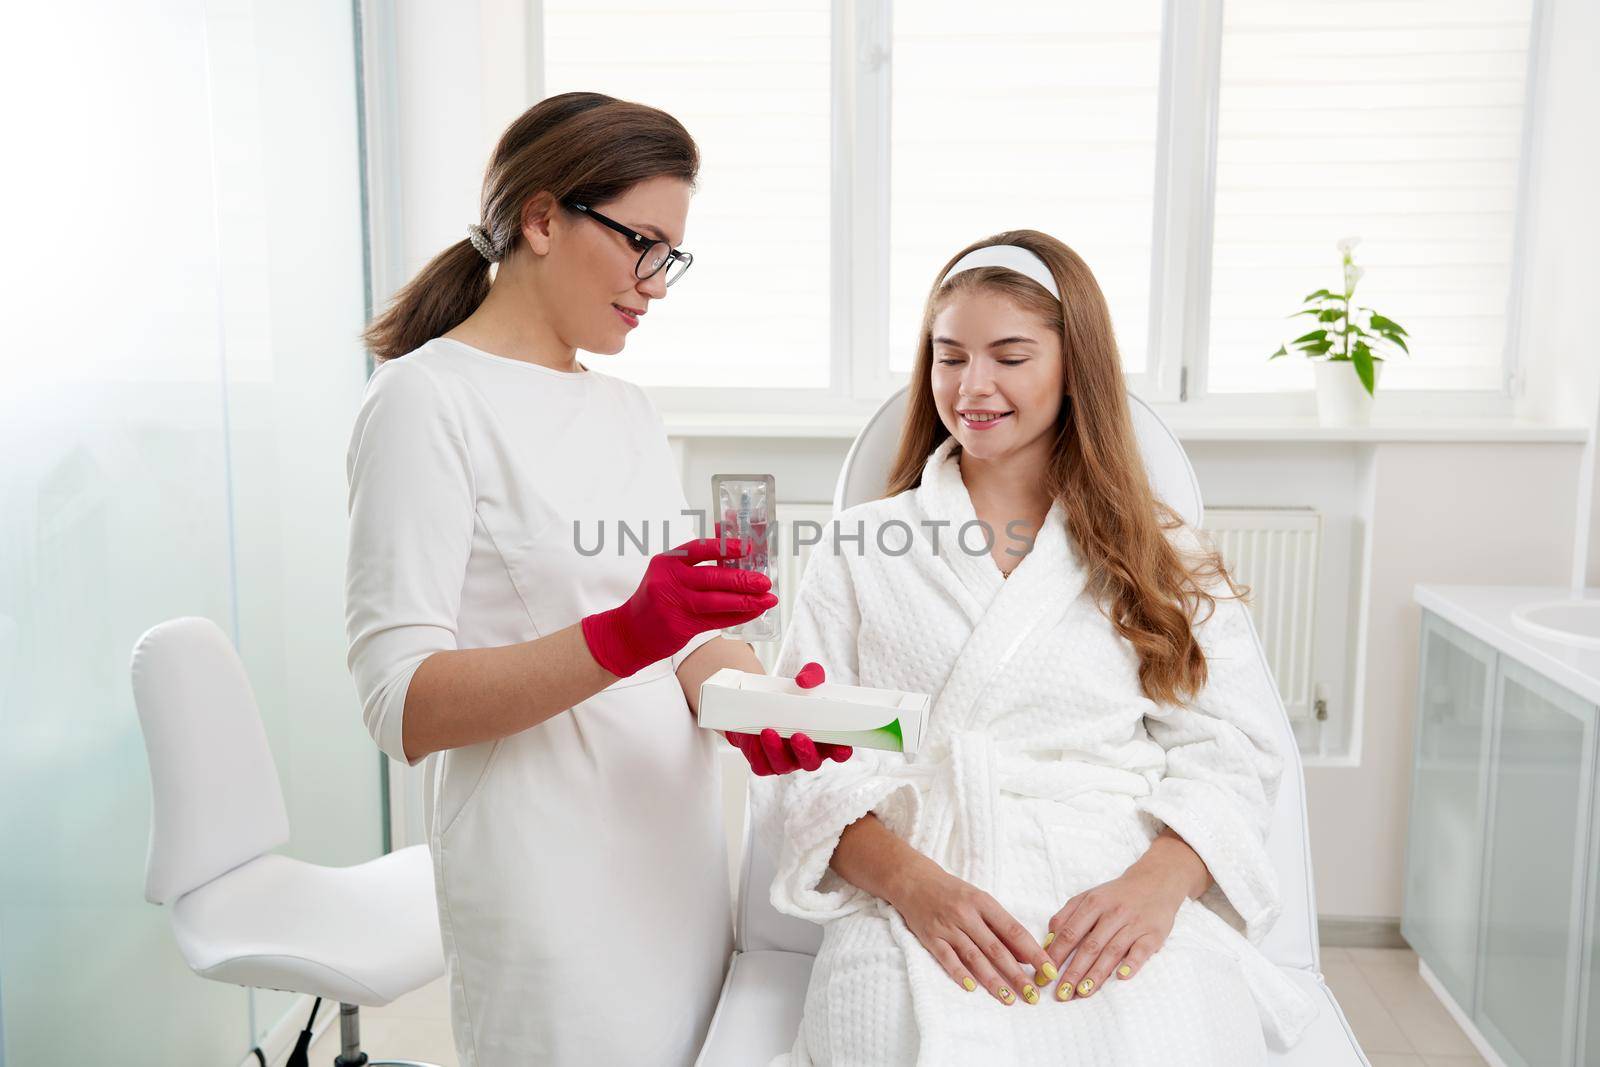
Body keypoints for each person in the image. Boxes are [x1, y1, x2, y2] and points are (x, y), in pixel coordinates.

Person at [344, 91, 845, 1067]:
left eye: (672, 255)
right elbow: (398, 703)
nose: (656, 281)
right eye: (640, 242)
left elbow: (691, 634)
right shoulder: (424, 402)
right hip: (548, 871)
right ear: (541, 218)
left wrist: (763, 708)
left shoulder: (624, 409)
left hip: (671, 842)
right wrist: (626, 635)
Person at [752, 231, 1318, 1065]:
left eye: (1009, 356)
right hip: (920, 884)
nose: (972, 386)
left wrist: (1156, 885)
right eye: (950, 357)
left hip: (1110, 884)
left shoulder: (1164, 555)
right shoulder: (860, 545)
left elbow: (1232, 746)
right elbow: (809, 755)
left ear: (1073, 367)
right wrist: (913, 885)